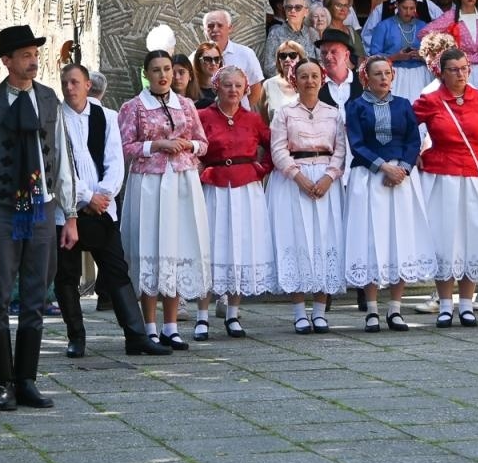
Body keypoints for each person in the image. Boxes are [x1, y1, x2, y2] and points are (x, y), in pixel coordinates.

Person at [0, 26, 76, 411]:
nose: (32, 61)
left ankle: (27, 379)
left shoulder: (48, 100)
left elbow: (61, 158)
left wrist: (70, 213)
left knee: (34, 298)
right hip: (3, 211)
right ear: (6, 61)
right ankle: (2, 382)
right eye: (24, 55)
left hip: (41, 209)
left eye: (34, 54)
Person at [54, 64, 171, 358]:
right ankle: (76, 336)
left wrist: (104, 195)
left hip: (102, 210)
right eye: (65, 82)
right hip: (67, 209)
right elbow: (57, 165)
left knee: (117, 271)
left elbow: (115, 161)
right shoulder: (54, 119)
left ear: (87, 85)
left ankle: (135, 335)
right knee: (66, 275)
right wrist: (84, 195)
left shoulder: (106, 117)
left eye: (75, 82)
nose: (70, 88)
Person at [118, 48, 211, 351]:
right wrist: (156, 144)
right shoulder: (134, 107)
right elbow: (125, 146)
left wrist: (188, 145)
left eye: (167, 69)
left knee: (176, 248)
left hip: (182, 181)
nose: (162, 75)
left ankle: (171, 326)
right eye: (156, 69)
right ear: (147, 74)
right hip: (149, 183)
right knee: (151, 249)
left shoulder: (185, 104)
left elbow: (203, 143)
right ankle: (149, 326)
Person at [413, 49, 478, 328]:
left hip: (473, 175)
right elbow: (405, 127)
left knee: (471, 238)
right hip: (441, 176)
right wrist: (413, 152)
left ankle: (466, 305)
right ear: (441, 72)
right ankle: (444, 304)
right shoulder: (430, 100)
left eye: (464, 68)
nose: (460, 74)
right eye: (453, 69)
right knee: (445, 240)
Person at [344, 57, 432, 332]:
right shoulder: (355, 106)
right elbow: (356, 143)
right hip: (369, 178)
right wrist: (382, 167)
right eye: (377, 74)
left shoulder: (403, 105)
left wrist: (403, 169)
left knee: (399, 238)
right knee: (371, 239)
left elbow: (413, 140)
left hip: (401, 179)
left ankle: (395, 309)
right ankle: (371, 310)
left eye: (387, 73)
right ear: (365, 78)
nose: (383, 78)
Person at [266, 59, 348, 333]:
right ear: (294, 81)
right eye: (303, 76)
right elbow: (278, 149)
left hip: (326, 179)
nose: (309, 81)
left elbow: (340, 149)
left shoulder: (334, 113)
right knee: (297, 239)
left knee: (326, 240)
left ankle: (321, 311)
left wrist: (329, 176)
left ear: (322, 79)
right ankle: (300, 311)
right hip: (293, 181)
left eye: (314, 76)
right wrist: (298, 176)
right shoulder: (284, 113)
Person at [196, 65, 274, 340]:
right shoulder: (203, 115)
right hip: (214, 186)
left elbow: (274, 145)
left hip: (245, 187)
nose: (233, 90)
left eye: (238, 86)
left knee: (240, 246)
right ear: (217, 86)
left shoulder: (252, 119)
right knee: (210, 246)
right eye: (227, 85)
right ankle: (202, 317)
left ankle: (233, 314)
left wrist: (260, 169)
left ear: (245, 90)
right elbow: (193, 146)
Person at [371, 0, 431, 102]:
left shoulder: (423, 26)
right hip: (394, 74)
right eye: (404, 7)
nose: (408, 12)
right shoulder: (384, 26)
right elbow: (373, 55)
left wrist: (421, 56)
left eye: (412, 8)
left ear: (416, 6)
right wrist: (395, 57)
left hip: (420, 76)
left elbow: (433, 55)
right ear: (397, 5)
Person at [203, 10, 266, 108]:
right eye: (210, 26)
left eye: (220, 25)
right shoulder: (196, 57)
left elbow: (256, 89)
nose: (215, 29)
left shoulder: (246, 54)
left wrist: (241, 110)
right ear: (204, 30)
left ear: (230, 28)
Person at [261, 0, 321, 78]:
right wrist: (293, 78)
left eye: (298, 7)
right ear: (285, 11)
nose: (293, 10)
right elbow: (269, 67)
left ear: (306, 12)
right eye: (289, 7)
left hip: (311, 84)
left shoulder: (312, 33)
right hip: (286, 86)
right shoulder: (275, 34)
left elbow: (321, 61)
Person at [318, 29, 360, 115]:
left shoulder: (363, 82)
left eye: (334, 52)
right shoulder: (316, 84)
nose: (328, 57)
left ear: (346, 55)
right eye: (324, 52)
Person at [260, 40, 305, 119]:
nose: (287, 59)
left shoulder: (308, 83)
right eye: (283, 56)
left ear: (300, 59)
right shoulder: (268, 85)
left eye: (292, 55)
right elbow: (264, 121)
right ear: (278, 60)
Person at [191, 42, 223, 108]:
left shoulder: (225, 87)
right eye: (207, 59)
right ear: (198, 62)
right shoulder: (191, 90)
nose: (213, 63)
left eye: (217, 59)